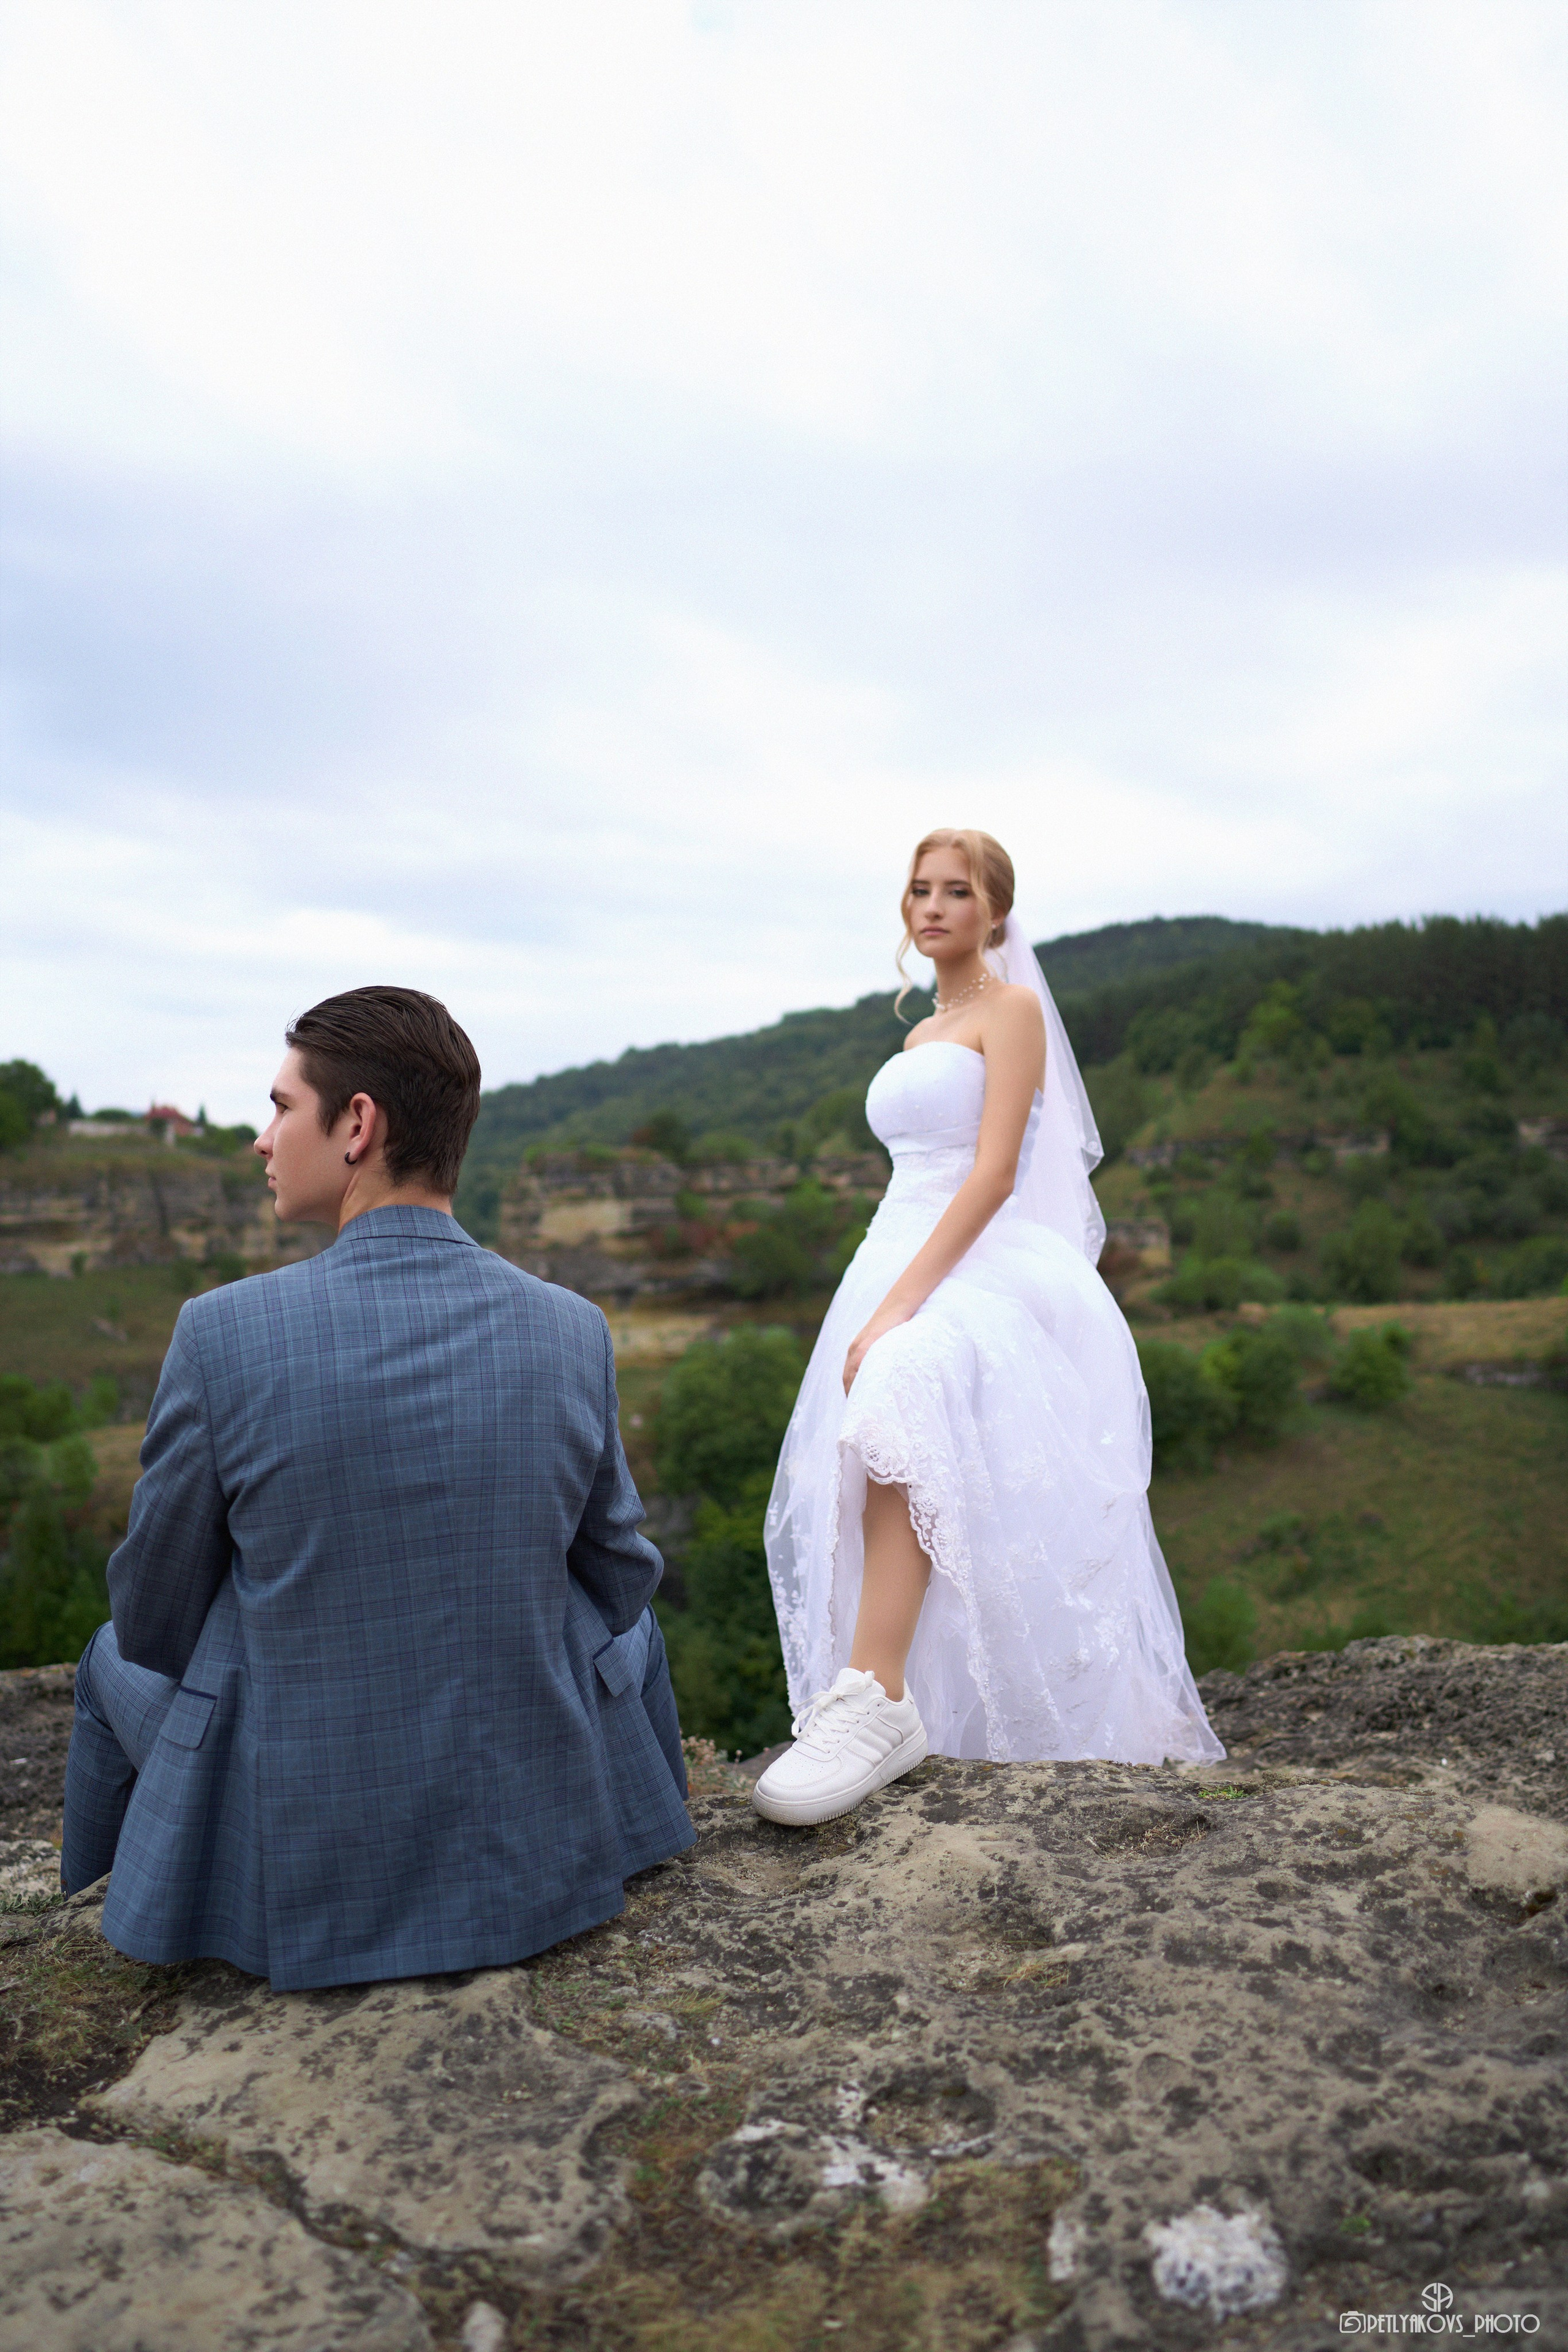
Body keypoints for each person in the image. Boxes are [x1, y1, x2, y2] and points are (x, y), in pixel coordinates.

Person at [61, 986, 693, 1989]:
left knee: (105, 1661)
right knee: (636, 1630)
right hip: (528, 1866)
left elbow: (154, 1621)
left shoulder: (223, 1334)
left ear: (358, 1124)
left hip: (307, 1862)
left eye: (279, 1108)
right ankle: (635, 1842)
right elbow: (619, 1583)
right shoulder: (572, 1328)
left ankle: (99, 1925)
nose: (262, 1141)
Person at [753, 831, 1223, 1826]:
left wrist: (900, 1304)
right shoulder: (925, 1032)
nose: (931, 907)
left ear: (995, 914)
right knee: (866, 1464)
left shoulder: (1010, 1011)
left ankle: (876, 1699)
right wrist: (879, 1289)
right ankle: (901, 1699)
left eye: (955, 892)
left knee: (902, 1382)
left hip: (980, 1261)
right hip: (894, 1247)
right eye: (919, 890)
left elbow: (996, 1172)